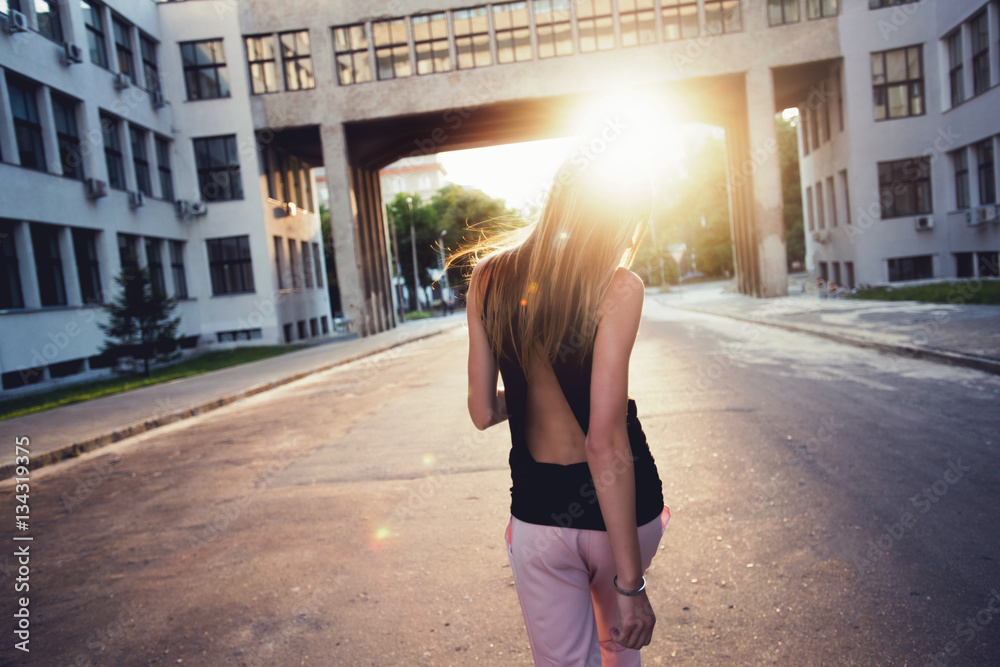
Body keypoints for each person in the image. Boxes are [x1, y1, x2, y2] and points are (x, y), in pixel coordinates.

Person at [449, 144, 670, 666]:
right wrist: (631, 585)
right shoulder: (618, 287)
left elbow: (482, 411)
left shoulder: (489, 278)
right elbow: (605, 439)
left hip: (540, 515)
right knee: (620, 652)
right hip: (624, 516)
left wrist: (523, 399)